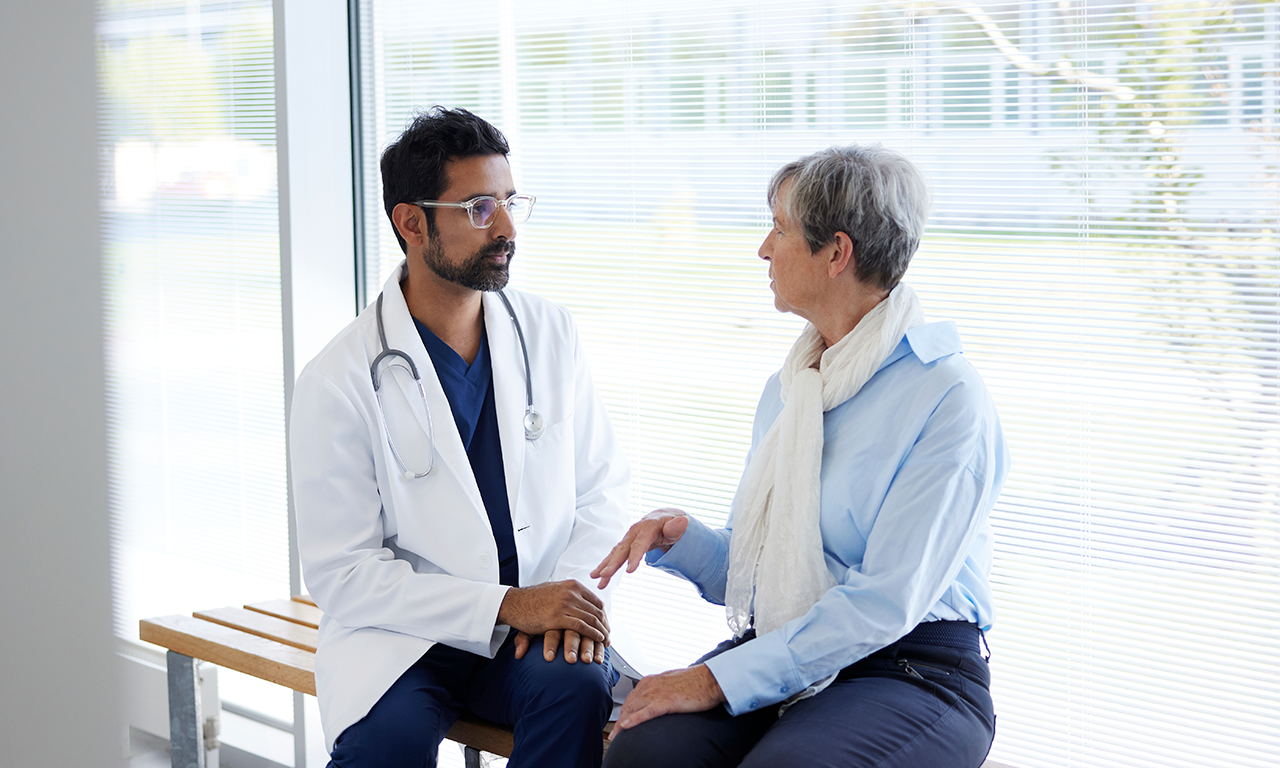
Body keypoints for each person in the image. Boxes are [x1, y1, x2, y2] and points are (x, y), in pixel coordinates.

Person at [592, 145, 1009, 768]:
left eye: (780, 228)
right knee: (643, 751)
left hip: (912, 668)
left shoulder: (947, 396)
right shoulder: (795, 385)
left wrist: (712, 680)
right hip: (789, 644)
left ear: (836, 253)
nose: (764, 248)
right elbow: (768, 570)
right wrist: (683, 541)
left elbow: (883, 604)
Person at [289, 106, 640, 768]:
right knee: (384, 749)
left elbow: (602, 491)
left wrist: (564, 599)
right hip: (402, 639)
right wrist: (509, 603)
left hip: (533, 634)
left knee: (575, 687)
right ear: (412, 223)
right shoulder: (337, 379)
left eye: (510, 202)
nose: (507, 228)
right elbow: (345, 573)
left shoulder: (550, 333)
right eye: (480, 208)